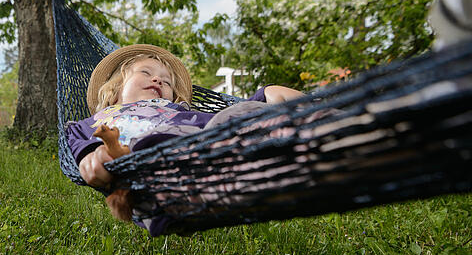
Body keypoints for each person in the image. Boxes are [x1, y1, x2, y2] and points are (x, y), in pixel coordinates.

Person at [65, 44, 305, 191]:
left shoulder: (179, 111)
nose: (158, 80)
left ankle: (326, 120)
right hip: (147, 160)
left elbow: (219, 120)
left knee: (269, 95)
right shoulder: (97, 120)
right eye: (146, 73)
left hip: (207, 141)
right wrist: (92, 158)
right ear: (115, 90)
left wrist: (265, 96)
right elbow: (82, 143)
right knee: (146, 145)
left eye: (166, 81)